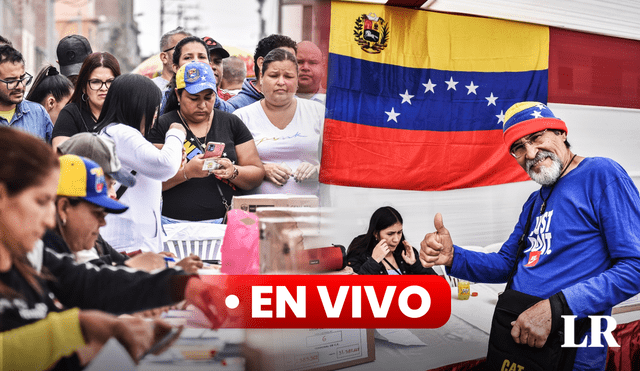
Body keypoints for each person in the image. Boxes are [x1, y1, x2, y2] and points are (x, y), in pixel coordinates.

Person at [419, 101, 640, 370]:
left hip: (571, 347)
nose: (531, 152)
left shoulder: (601, 174)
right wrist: (454, 257)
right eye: (519, 148)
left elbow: (635, 267)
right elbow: (505, 265)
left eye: (537, 137)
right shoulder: (534, 202)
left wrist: (555, 308)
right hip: (517, 338)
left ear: (562, 133)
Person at [0, 126, 223, 370]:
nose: (49, 219)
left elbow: (88, 283)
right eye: (41, 201)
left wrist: (180, 284)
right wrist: (83, 327)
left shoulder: (31, 255)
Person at [148, 62, 264, 224]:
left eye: (208, 97)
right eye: (194, 99)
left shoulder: (231, 122)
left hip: (224, 223)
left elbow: (257, 173)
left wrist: (233, 171)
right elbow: (150, 180)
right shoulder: (162, 125)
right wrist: (187, 172)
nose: (202, 105)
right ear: (178, 95)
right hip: (173, 224)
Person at [95, 74, 186, 253]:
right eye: (152, 108)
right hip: (130, 245)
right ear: (137, 107)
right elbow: (165, 166)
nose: (155, 116)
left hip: (129, 242)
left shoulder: (111, 133)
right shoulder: (122, 133)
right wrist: (176, 133)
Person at [233, 48, 323, 195]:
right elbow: (231, 167)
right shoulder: (241, 117)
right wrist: (261, 170)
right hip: (257, 213)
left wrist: (317, 170)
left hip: (311, 211)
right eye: (274, 76)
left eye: (288, 76)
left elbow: (339, 162)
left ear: (297, 80)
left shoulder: (318, 112)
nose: (281, 82)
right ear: (261, 78)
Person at [52, 52, 121, 149]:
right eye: (96, 82)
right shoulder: (70, 113)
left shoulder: (125, 114)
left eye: (110, 81)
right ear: (84, 87)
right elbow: (60, 154)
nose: (104, 88)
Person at [346, 206, 436, 275]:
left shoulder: (406, 252)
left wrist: (415, 264)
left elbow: (438, 285)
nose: (396, 239)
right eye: (390, 234)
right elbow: (352, 289)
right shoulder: (359, 253)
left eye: (399, 232)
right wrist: (374, 261)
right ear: (376, 233)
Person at [159, 36, 235, 115]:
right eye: (188, 57)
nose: (196, 62)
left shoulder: (228, 109)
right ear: (176, 67)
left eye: (202, 57)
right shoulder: (160, 103)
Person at [228, 34, 298, 110]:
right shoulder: (236, 107)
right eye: (281, 58)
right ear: (261, 63)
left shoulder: (299, 105)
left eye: (293, 61)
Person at [0, 44, 53, 142]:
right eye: (11, 81)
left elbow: (52, 154)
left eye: (22, 78)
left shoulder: (38, 113)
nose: (20, 86)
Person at [153, 27, 191, 91]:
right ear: (164, 57)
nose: (187, 55)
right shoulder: (150, 88)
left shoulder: (201, 87)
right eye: (180, 49)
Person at [296, 41, 326, 105]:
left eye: (312, 62)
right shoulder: (275, 102)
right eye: (299, 62)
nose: (305, 68)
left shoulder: (336, 104)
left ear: (323, 68)